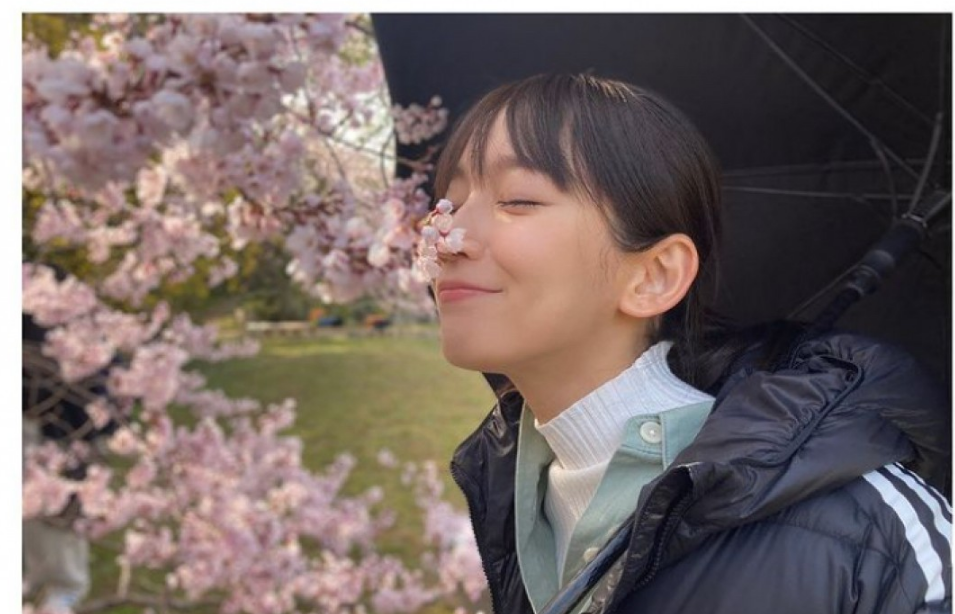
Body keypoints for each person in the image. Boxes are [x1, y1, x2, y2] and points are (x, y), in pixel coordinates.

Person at [428, 74, 952, 614]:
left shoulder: (873, 541)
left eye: (517, 200)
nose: (446, 239)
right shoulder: (509, 494)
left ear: (654, 276)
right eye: (450, 203)